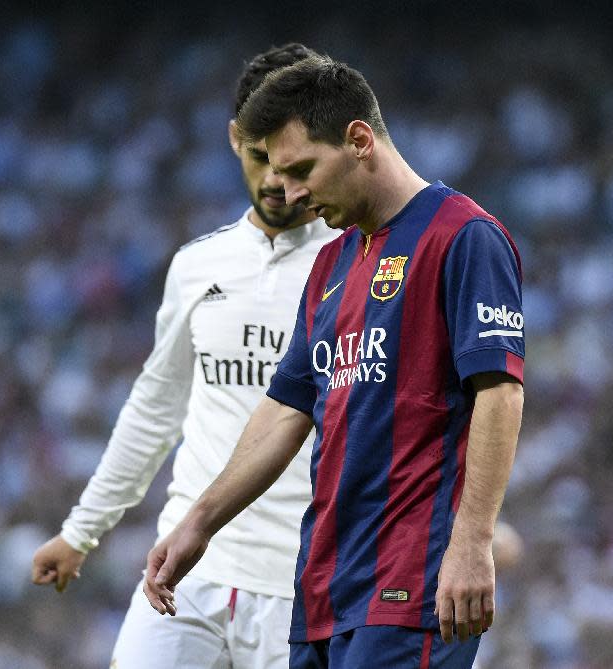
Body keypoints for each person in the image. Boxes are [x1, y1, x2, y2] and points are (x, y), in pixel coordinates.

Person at [142, 54, 525, 669]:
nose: (289, 193)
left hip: (411, 584)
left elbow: (500, 394)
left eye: (301, 170)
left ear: (358, 140)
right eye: (275, 171)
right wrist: (200, 521)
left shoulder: (463, 236)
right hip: (322, 588)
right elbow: (287, 408)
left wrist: (473, 543)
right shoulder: (330, 265)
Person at [31, 43, 336, 668]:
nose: (276, 182)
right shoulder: (199, 265)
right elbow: (156, 407)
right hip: (184, 570)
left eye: (291, 162)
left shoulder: (356, 266)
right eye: (259, 157)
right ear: (234, 139)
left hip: (300, 586)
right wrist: (81, 530)